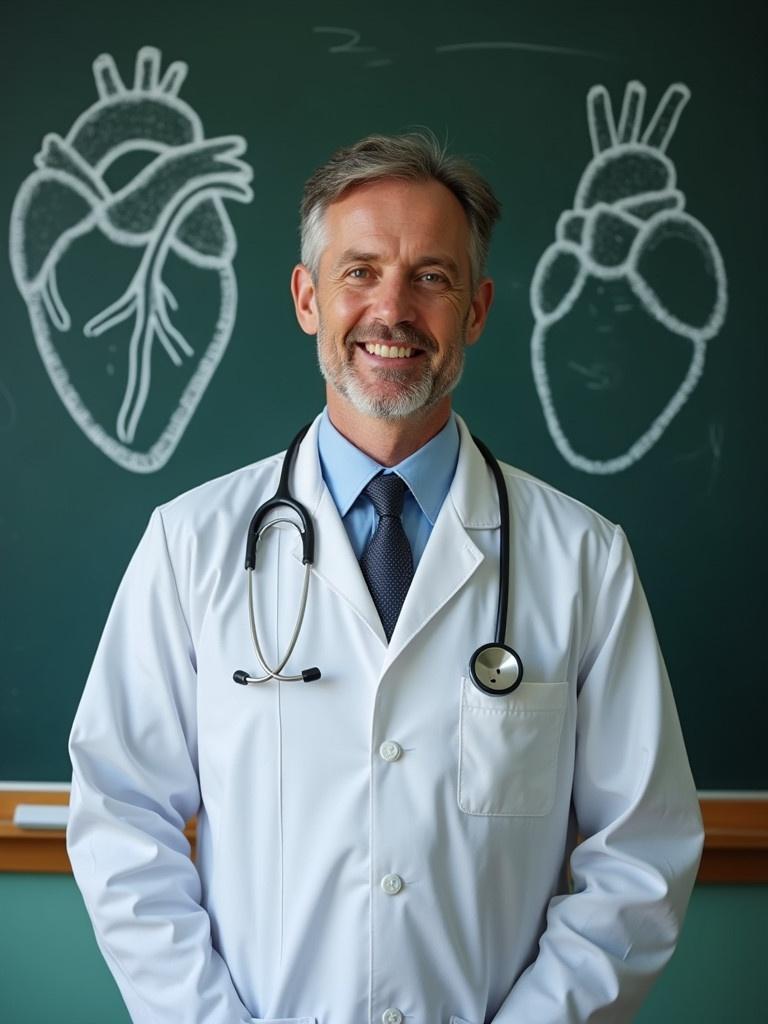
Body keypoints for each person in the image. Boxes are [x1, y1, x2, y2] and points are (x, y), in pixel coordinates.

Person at [67, 133, 704, 1024]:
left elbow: (641, 849)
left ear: (477, 309)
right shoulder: (190, 544)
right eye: (359, 271)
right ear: (306, 298)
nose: (392, 310)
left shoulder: (582, 558)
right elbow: (120, 816)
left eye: (431, 277)